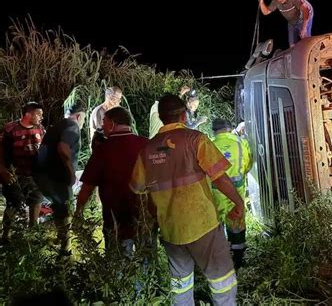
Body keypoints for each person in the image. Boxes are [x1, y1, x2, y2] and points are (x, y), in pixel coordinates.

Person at [130, 94, 244, 306]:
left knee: (181, 284)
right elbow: (220, 178)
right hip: (203, 224)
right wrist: (238, 203)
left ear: (162, 118)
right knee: (222, 280)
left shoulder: (147, 150)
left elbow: (138, 190)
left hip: (171, 229)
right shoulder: (195, 139)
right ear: (183, 115)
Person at [76, 107, 153, 256]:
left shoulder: (103, 150)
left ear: (112, 124)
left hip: (115, 219)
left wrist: (78, 212)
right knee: (147, 260)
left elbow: (87, 187)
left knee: (118, 263)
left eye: (104, 122)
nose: (101, 126)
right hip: (145, 216)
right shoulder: (146, 144)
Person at [34, 103, 86, 256]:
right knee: (65, 208)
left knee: (58, 206)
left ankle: (60, 237)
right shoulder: (72, 125)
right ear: (79, 116)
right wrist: (70, 172)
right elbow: (63, 148)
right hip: (56, 176)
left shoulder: (57, 125)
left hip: (42, 174)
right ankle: (66, 247)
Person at [0, 102, 45, 244]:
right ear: (28, 114)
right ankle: (5, 235)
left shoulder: (40, 128)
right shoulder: (10, 129)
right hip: (14, 173)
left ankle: (32, 233)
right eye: (39, 114)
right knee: (14, 202)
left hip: (34, 174)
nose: (41, 117)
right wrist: (2, 171)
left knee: (37, 200)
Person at [211, 118, 253, 269]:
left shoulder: (209, 144)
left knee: (217, 224)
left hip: (216, 192)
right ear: (229, 129)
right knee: (237, 225)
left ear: (214, 131)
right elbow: (248, 165)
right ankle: (239, 259)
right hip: (236, 192)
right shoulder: (241, 143)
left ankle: (220, 259)